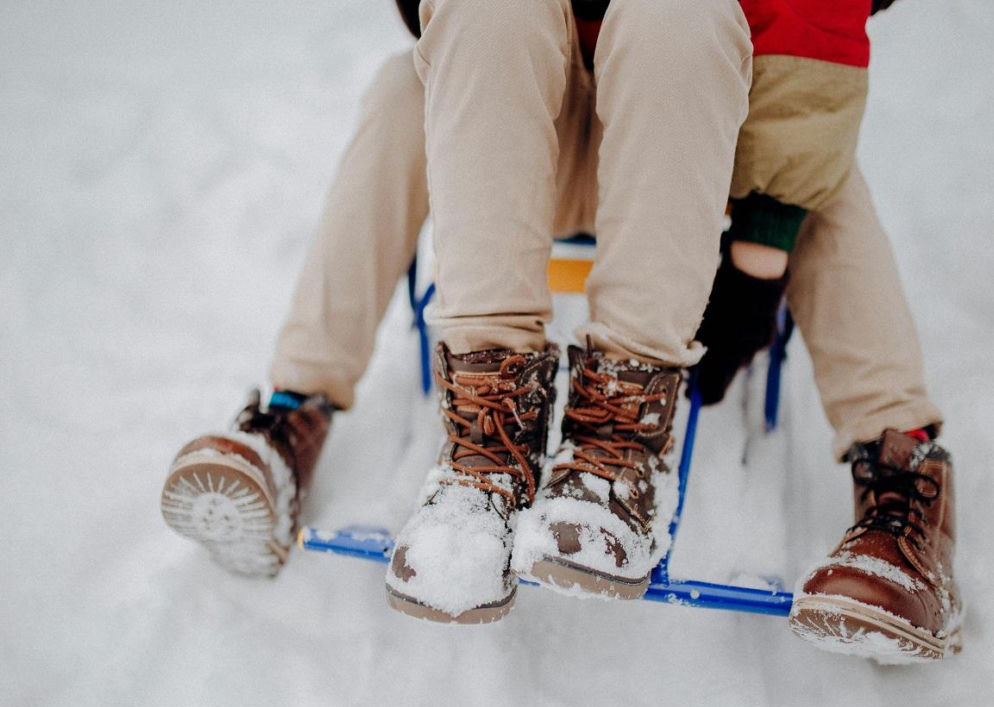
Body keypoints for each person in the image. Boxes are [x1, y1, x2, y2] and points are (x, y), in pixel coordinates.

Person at [161, 1, 959, 660]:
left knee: (799, 142)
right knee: (416, 75)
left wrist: (759, 255)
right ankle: (324, 417)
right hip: (524, 113)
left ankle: (897, 478)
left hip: (695, 120)